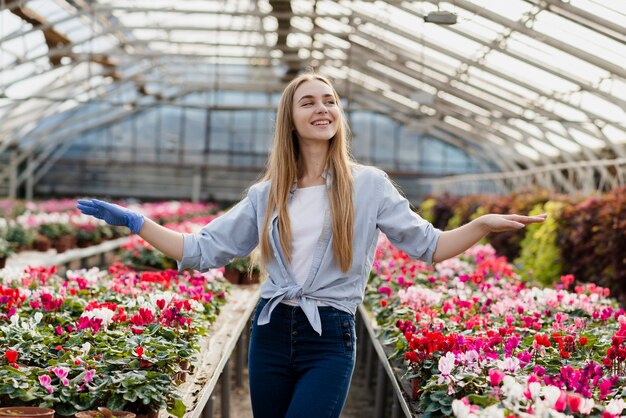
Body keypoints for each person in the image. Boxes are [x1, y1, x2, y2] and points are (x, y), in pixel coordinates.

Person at [77, 73, 546, 418]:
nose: (322, 108)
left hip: (330, 336)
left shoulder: (370, 185)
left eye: (330, 101)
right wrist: (137, 223)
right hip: (271, 331)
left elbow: (431, 246)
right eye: (309, 102)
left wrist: (481, 225)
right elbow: (200, 250)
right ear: (291, 118)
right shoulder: (267, 194)